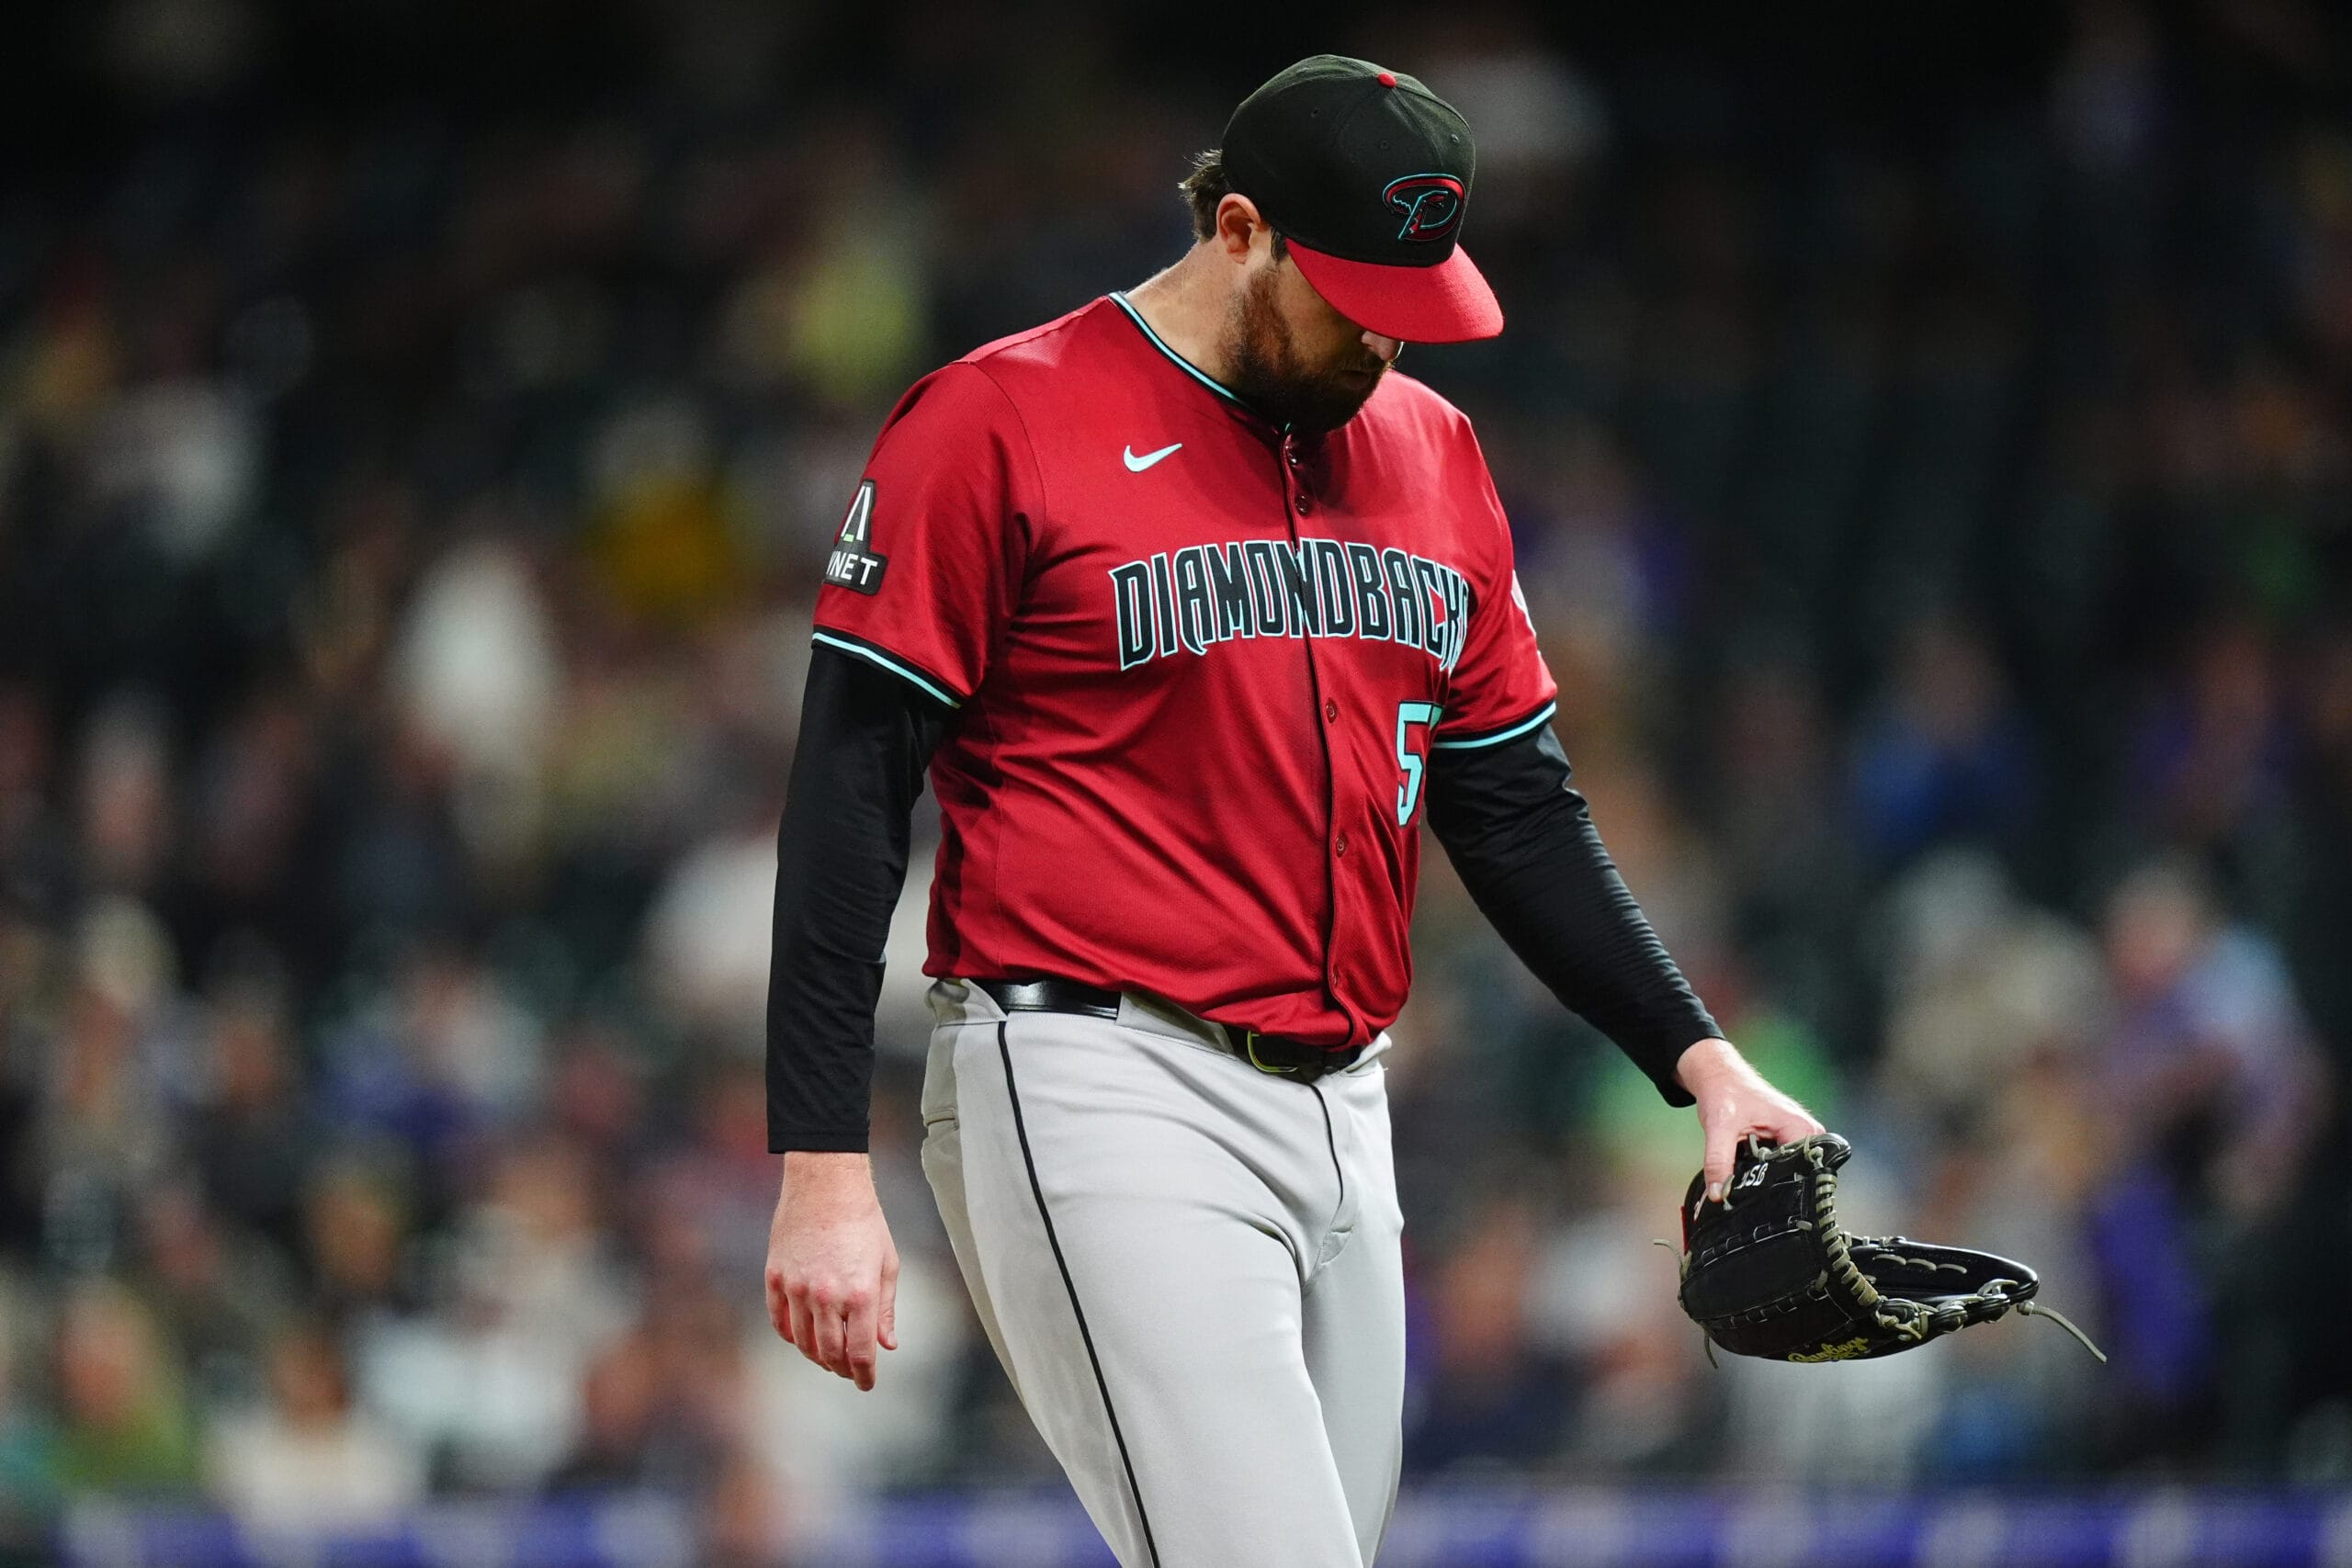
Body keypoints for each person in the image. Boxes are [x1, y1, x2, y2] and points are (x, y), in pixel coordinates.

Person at [761, 54, 1819, 1567]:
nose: (1385, 340)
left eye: (1412, 302)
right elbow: (848, 795)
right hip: (1092, 1075)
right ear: (1239, 227)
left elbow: (1511, 804)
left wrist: (1699, 1058)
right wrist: (819, 1168)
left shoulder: (1432, 451)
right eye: (1354, 297)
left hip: (1344, 1103)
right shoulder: (999, 421)